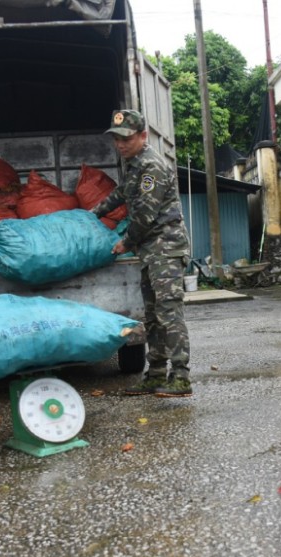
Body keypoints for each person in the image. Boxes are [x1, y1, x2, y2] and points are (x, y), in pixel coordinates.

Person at [91, 110, 193, 397]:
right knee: (152, 316)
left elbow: (145, 215)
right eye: (116, 139)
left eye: (127, 138)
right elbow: (121, 193)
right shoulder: (134, 166)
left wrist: (125, 242)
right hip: (151, 250)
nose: (121, 145)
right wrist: (93, 214)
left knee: (169, 313)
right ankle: (156, 374)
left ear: (142, 136)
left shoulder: (152, 167)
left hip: (166, 247)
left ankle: (181, 377)